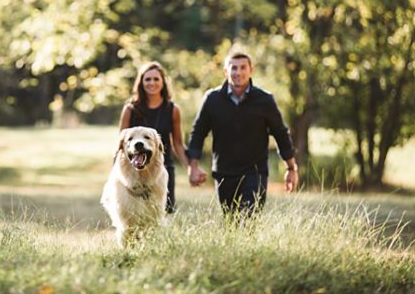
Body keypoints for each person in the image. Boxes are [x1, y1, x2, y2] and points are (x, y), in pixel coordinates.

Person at [186, 51, 299, 215]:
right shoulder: (212, 99)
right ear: (226, 71)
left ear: (251, 70)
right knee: (230, 221)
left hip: (255, 173)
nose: (238, 72)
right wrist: (193, 166)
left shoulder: (264, 100)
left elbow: (281, 133)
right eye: (233, 68)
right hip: (224, 172)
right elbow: (198, 132)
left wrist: (291, 168)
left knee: (248, 217)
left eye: (243, 68)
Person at [119, 62, 190, 213]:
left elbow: (177, 144)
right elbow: (121, 144)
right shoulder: (130, 109)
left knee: (164, 213)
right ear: (141, 82)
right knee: (132, 214)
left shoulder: (173, 110)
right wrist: (116, 170)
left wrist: (191, 168)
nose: (152, 83)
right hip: (132, 172)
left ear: (163, 82)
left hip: (162, 168)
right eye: (148, 79)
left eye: (156, 79)